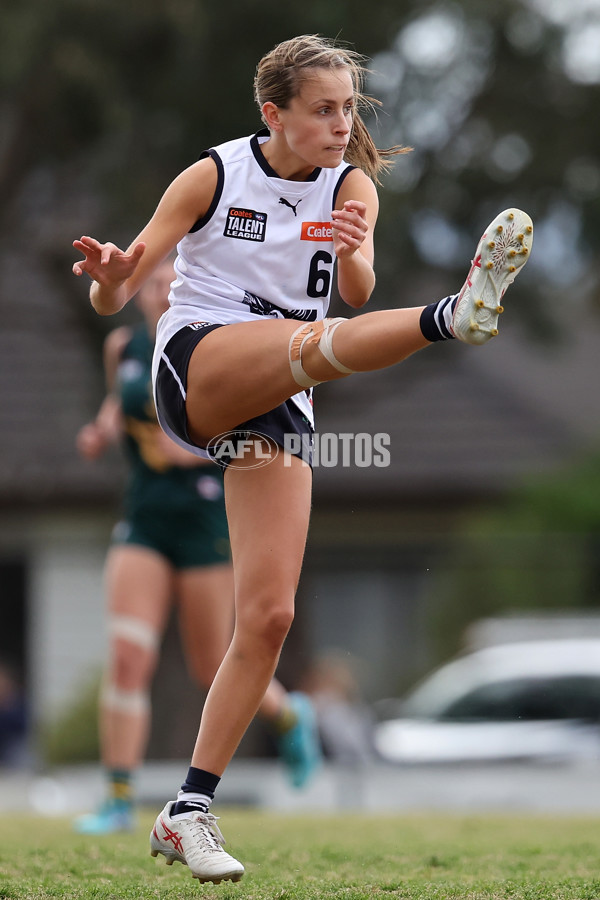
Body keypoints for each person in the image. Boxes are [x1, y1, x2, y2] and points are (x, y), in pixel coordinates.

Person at [72, 34, 533, 883]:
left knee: (271, 620)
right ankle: (450, 317)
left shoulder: (351, 183)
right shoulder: (212, 176)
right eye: (323, 110)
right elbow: (118, 287)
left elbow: (354, 290)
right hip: (200, 359)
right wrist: (107, 276)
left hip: (286, 381)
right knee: (311, 343)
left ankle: (187, 811)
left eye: (349, 108)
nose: (340, 123)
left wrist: (356, 245)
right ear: (272, 113)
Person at [72, 259, 322, 836]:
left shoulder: (215, 341)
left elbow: (245, 426)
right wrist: (102, 430)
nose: (161, 293)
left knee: (214, 664)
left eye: (169, 284)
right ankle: (117, 799)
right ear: (140, 295)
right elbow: (124, 403)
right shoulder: (125, 346)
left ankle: (287, 715)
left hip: (205, 518)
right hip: (145, 518)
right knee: (129, 658)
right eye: (152, 285)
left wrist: (192, 450)